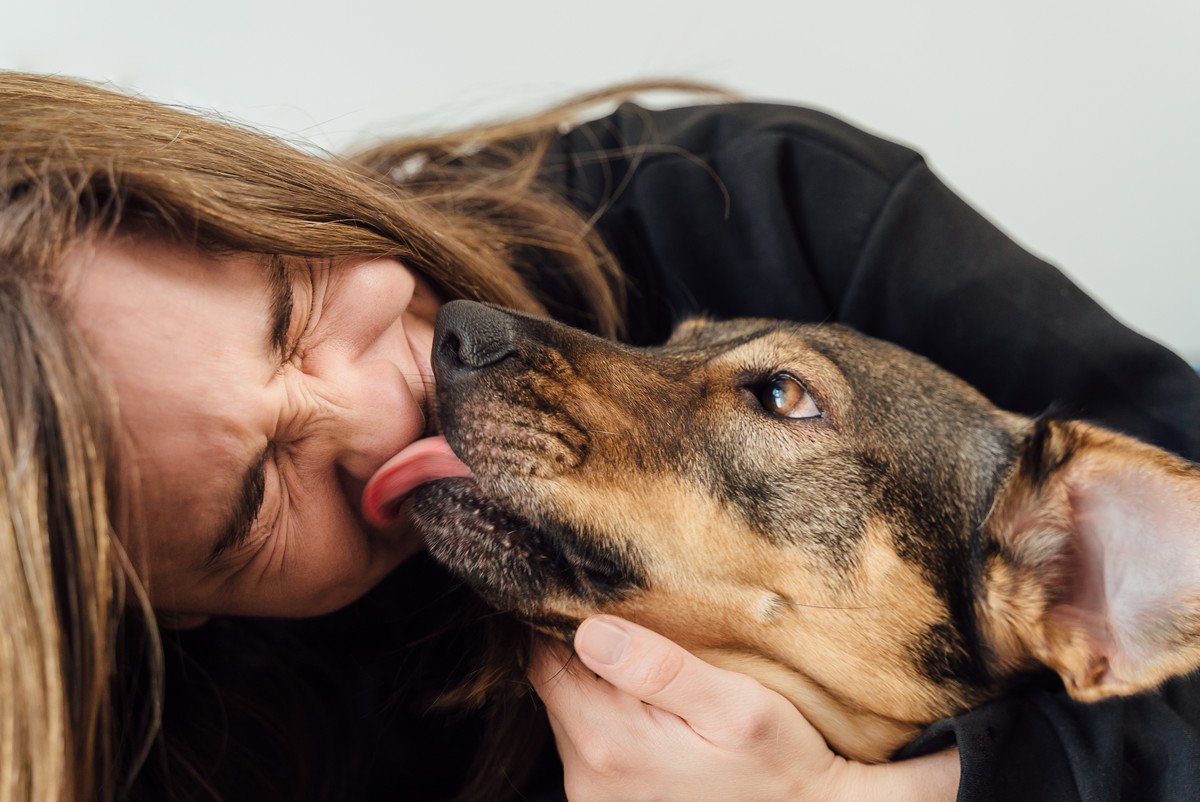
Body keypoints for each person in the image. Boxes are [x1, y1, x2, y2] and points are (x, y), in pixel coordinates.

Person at [1, 71, 1198, 802]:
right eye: (254, 499)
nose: (388, 411)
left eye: (291, 309)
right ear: (165, 615)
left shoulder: (747, 204)